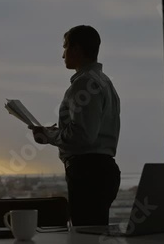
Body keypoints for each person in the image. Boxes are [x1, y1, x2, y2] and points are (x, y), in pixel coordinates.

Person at [29, 25, 121, 226]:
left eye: (65, 47)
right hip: (102, 169)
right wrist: (53, 133)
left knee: (85, 234)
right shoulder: (105, 82)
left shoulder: (84, 84)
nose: (63, 55)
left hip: (87, 172)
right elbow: (89, 131)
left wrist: (50, 137)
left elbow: (83, 136)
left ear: (77, 49)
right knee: (94, 231)